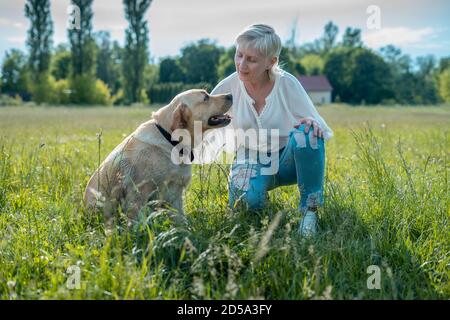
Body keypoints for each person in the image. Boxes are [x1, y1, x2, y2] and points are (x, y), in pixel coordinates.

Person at [207, 24, 333, 237]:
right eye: (239, 55)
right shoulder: (228, 86)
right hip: (250, 157)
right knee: (245, 204)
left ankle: (309, 212)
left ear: (271, 62)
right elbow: (202, 121)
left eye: (252, 59)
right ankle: (259, 193)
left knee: (309, 134)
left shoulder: (287, 84)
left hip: (287, 160)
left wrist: (312, 123)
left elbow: (321, 128)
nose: (242, 65)